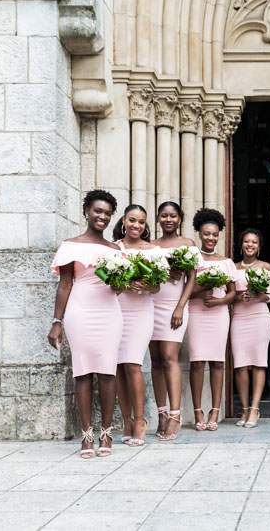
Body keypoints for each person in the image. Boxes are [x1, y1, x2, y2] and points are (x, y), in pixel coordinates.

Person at [47, 190, 122, 459]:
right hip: (80, 311)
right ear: (87, 211)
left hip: (109, 313)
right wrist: (57, 322)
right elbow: (65, 284)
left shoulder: (116, 249)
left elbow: (119, 288)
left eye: (107, 213)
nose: (102, 216)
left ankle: (106, 432)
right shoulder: (71, 245)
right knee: (82, 372)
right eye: (97, 211)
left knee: (107, 372)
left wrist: (120, 284)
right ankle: (87, 435)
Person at [112, 204, 160, 447]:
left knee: (132, 364)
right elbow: (108, 281)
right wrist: (123, 283)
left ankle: (140, 421)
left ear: (145, 225)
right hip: (116, 310)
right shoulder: (114, 248)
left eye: (141, 222)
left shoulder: (153, 250)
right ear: (123, 220)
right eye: (132, 220)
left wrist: (146, 285)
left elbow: (158, 287)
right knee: (119, 367)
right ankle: (127, 420)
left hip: (141, 312)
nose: (136, 226)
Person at [187, 208, 236, 431]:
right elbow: (185, 290)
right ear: (199, 233)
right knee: (197, 361)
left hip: (218, 314)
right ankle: (198, 410)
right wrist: (199, 293)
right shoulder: (191, 258)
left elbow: (233, 293)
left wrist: (218, 301)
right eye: (207, 233)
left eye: (215, 234)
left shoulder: (226, 262)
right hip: (197, 311)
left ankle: (215, 410)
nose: (211, 238)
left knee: (218, 361)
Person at [150, 201, 196, 441]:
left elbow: (191, 279)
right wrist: (164, 270)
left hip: (173, 307)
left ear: (180, 219)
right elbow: (146, 274)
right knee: (155, 360)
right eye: (164, 216)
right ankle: (161, 414)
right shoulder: (151, 246)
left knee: (169, 358)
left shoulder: (187, 244)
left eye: (173, 216)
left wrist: (180, 306)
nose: (169, 220)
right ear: (158, 218)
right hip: (150, 305)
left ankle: (176, 415)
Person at [231, 228, 270, 428]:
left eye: (254, 242)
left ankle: (255, 408)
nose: (250, 245)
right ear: (241, 245)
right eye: (246, 241)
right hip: (239, 317)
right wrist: (238, 297)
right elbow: (227, 294)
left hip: (260, 318)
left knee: (259, 362)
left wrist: (261, 296)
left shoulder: (265, 266)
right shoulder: (232, 267)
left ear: (259, 247)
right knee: (240, 364)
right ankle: (243, 408)